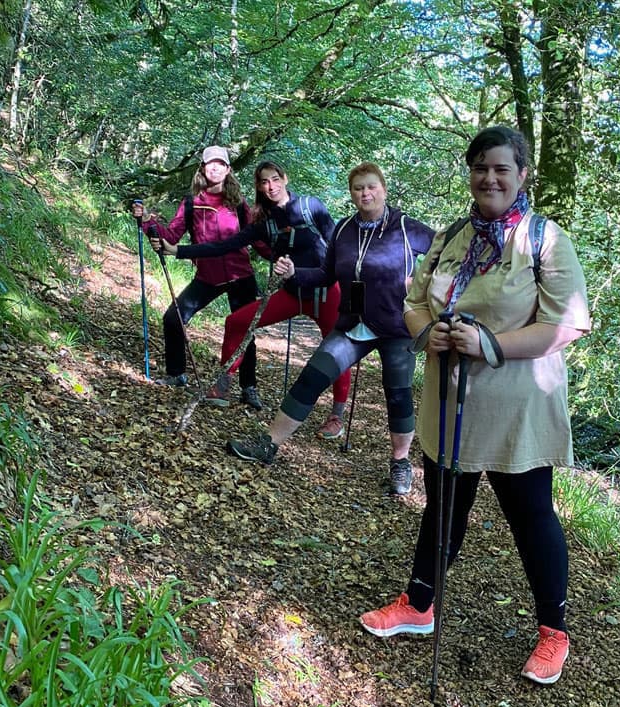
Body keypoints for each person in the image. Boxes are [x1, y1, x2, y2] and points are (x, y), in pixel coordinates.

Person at [359, 126, 591, 685]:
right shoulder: (451, 238)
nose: (489, 178)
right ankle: (419, 605)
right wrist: (426, 334)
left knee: (531, 516)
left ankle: (553, 632)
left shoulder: (544, 239)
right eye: (480, 167)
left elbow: (567, 324)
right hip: (449, 398)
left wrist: (490, 344)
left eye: (501, 169)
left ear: (522, 175)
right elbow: (415, 302)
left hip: (518, 406)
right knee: (442, 506)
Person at [225, 162, 435, 495]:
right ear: (351, 193)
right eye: (358, 188)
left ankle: (400, 462)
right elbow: (325, 275)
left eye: (371, 186)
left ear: (383, 188)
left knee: (397, 394)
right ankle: (269, 444)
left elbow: (445, 255)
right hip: (353, 323)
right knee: (312, 375)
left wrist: (425, 285)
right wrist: (294, 272)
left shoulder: (408, 227)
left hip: (396, 326)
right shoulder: (344, 230)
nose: (365, 193)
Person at [153, 160, 350, 435]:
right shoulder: (264, 222)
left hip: (326, 293)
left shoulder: (310, 206)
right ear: (258, 186)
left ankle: (336, 415)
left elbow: (337, 246)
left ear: (285, 178)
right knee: (237, 321)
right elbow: (226, 245)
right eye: (264, 182)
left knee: (338, 348)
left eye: (275, 179)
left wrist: (354, 283)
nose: (271, 186)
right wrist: (178, 251)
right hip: (293, 293)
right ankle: (223, 384)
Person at [132, 145, 264, 409]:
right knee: (174, 317)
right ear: (202, 169)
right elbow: (170, 237)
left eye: (220, 164)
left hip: (241, 275)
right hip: (208, 276)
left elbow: (257, 238)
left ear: (228, 170)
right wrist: (147, 221)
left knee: (245, 330)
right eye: (209, 163)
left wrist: (280, 249)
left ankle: (248, 387)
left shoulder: (239, 205)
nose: (214, 168)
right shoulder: (192, 203)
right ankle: (177, 374)